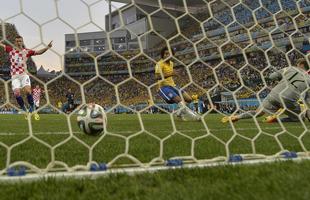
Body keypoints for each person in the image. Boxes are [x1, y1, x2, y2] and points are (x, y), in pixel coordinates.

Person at [222, 58, 310, 123]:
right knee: (300, 118)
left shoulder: (290, 68)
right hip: (289, 100)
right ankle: (277, 120)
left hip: (273, 95)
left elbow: (271, 76)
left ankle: (236, 117)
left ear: (301, 64)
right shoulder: (309, 79)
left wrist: (282, 78)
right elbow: (307, 98)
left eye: (298, 64)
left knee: (258, 112)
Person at [0, 36, 52, 120]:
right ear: (15, 42)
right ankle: (25, 111)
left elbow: (38, 52)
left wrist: (47, 47)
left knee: (28, 91)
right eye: (17, 41)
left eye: (20, 41)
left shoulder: (26, 51)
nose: (19, 42)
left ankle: (34, 111)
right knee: (16, 93)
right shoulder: (10, 49)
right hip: (14, 76)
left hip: (24, 74)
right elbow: (2, 45)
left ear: (22, 42)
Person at [155, 47, 200, 121]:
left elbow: (171, 75)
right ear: (162, 55)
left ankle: (179, 114)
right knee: (180, 102)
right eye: (166, 53)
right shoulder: (160, 64)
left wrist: (174, 74)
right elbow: (157, 77)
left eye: (169, 54)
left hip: (173, 85)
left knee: (189, 99)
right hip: (164, 87)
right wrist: (171, 74)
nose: (167, 55)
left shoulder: (171, 63)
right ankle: (195, 117)